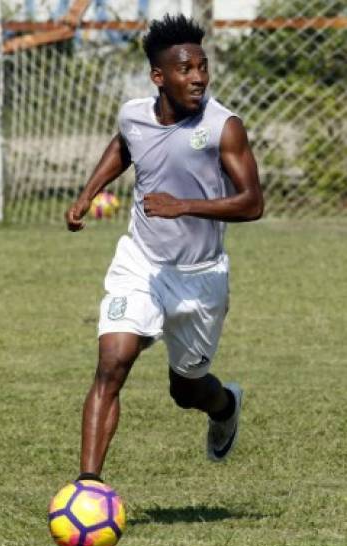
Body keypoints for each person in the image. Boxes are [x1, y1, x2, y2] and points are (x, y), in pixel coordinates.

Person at [65, 14, 263, 483]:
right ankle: (88, 488)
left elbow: (253, 203)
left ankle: (225, 405)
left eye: (203, 66)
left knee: (187, 389)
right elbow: (124, 145)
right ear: (159, 77)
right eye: (185, 69)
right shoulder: (133, 113)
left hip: (201, 277)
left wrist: (185, 206)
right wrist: (88, 192)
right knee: (112, 363)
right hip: (141, 262)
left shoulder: (223, 126)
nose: (198, 77)